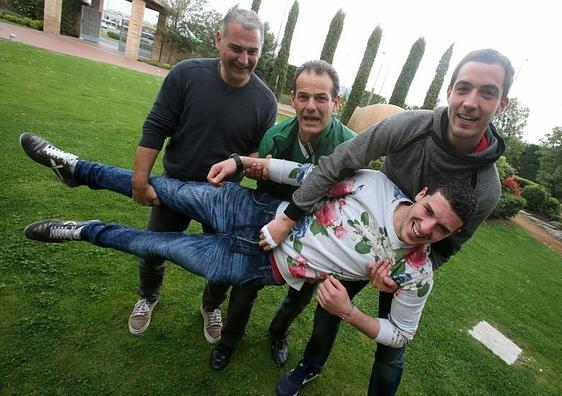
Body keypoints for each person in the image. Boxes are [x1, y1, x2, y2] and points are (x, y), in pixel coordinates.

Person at [20, 132, 476, 365]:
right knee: (159, 188)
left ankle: (80, 230)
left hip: (255, 265)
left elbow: (403, 335)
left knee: (150, 243)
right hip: (250, 210)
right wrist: (242, 162)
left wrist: (350, 313)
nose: (426, 228)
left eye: (441, 231)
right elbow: (305, 174)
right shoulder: (376, 184)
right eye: (431, 211)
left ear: (448, 238)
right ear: (424, 193)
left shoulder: (415, 272)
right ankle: (74, 165)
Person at [263, 49, 514, 396]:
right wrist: (290, 216)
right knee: (328, 309)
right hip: (362, 239)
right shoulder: (410, 126)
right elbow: (341, 161)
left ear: (502, 104)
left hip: (399, 263)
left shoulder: (486, 188)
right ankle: (310, 366)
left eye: (487, 92)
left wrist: (400, 274)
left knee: (392, 349)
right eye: (463, 87)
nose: (471, 102)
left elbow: (448, 247)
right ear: (449, 91)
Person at [129, 6, 277, 338]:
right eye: (236, 48)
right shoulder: (186, 74)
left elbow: (255, 153)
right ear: (218, 40)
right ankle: (147, 297)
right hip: (176, 186)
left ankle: (210, 306)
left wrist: (259, 165)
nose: (244, 59)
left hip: (225, 196)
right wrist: (140, 179)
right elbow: (156, 127)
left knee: (224, 261)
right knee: (152, 248)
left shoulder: (265, 101)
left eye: (252, 51)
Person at [205, 60, 357, 371]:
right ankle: (229, 340)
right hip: (272, 220)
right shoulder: (274, 138)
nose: (311, 107)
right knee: (246, 281)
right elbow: (262, 195)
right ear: (293, 98)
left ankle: (278, 333)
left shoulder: (351, 145)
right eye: (303, 97)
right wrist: (264, 172)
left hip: (317, 235)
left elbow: (351, 198)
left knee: (300, 295)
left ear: (336, 101)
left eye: (321, 98)